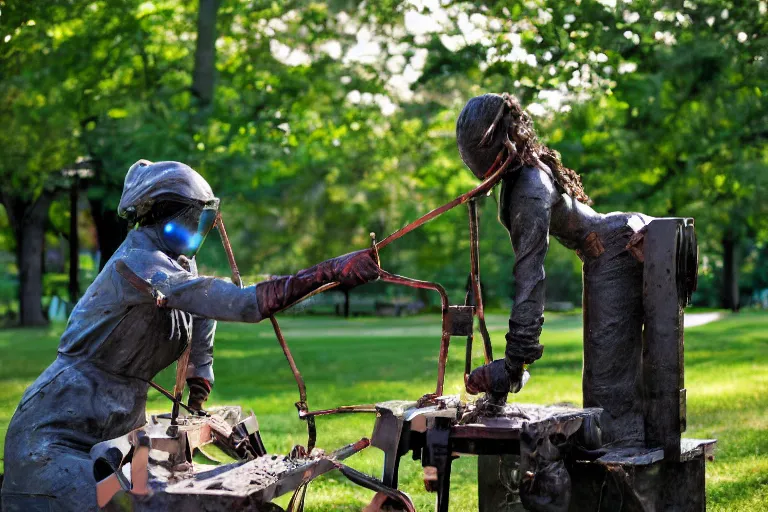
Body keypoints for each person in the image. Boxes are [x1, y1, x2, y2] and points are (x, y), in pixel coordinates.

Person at [0, 160, 381, 512]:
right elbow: (241, 304)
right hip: (54, 438)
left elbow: (202, 306)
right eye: (191, 219)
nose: (198, 229)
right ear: (165, 217)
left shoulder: (174, 264)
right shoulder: (136, 264)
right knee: (131, 504)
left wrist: (202, 364)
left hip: (117, 433)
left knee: (165, 495)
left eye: (202, 219)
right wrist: (327, 271)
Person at [460, 94, 653, 448]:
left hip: (618, 250)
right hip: (601, 253)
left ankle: (630, 481)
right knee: (604, 391)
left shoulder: (530, 188)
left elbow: (530, 276)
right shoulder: (520, 176)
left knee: (608, 394)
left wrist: (515, 361)